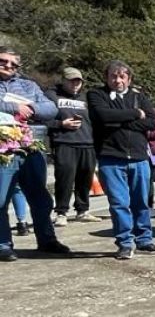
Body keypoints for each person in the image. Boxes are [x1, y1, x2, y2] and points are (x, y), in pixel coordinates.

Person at [0, 46, 72, 261]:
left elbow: (50, 109)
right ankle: (3, 244)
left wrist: (30, 107)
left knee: (40, 197)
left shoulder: (28, 85)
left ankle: (47, 239)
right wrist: (14, 107)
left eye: (13, 64)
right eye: (3, 61)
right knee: (1, 199)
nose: (8, 66)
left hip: (30, 147)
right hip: (3, 150)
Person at [87, 59, 155, 259]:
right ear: (106, 77)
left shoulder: (139, 97)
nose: (118, 80)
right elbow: (103, 116)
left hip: (138, 157)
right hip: (111, 158)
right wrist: (136, 115)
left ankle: (145, 240)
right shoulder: (96, 95)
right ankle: (125, 243)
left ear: (129, 79)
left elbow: (153, 123)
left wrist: (121, 121)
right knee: (119, 202)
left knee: (141, 202)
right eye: (113, 76)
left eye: (122, 76)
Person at [47, 66, 100, 226]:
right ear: (63, 80)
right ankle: (61, 212)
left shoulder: (86, 98)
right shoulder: (51, 95)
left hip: (87, 142)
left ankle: (82, 210)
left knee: (85, 177)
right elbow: (42, 119)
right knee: (64, 178)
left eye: (78, 81)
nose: (75, 84)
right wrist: (60, 124)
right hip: (64, 143)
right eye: (71, 81)